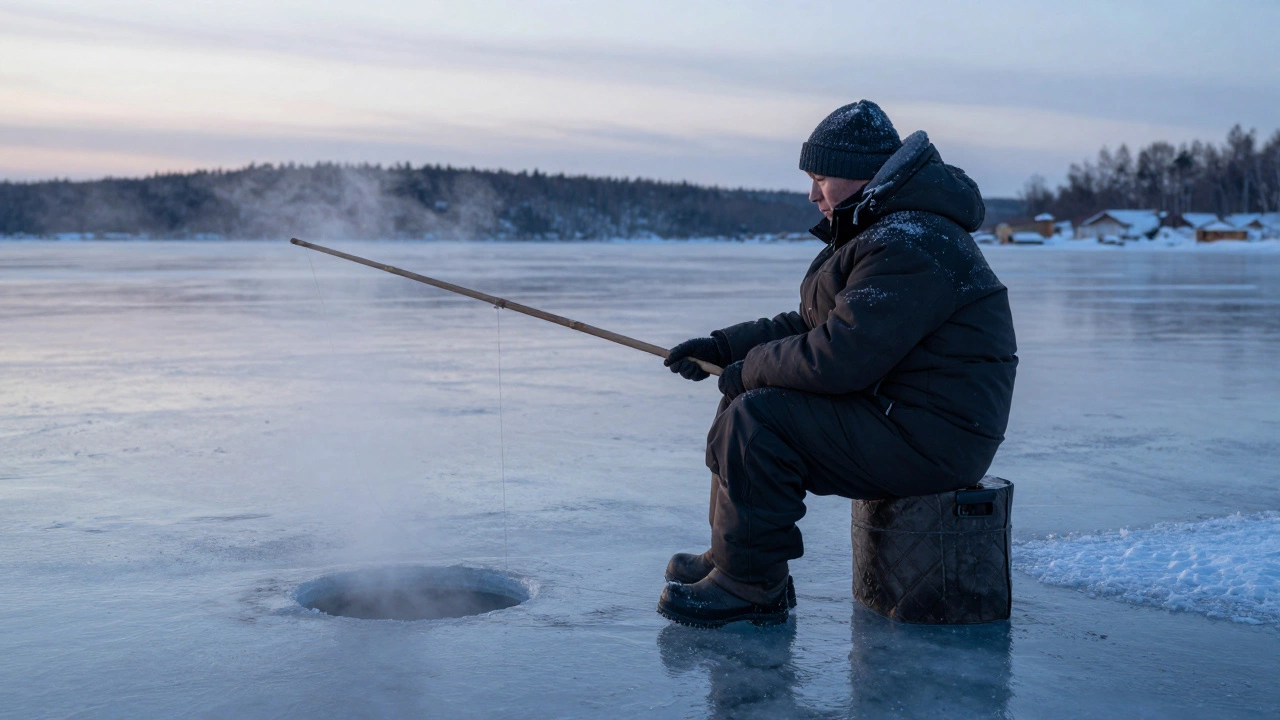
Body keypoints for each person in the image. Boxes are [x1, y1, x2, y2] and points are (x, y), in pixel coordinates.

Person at [657, 100, 1018, 628]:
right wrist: (724, 348)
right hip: (902, 416)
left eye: (820, 178)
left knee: (757, 420)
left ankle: (752, 585)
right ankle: (734, 555)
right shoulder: (887, 229)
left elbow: (840, 357)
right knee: (744, 400)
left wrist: (750, 368)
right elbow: (814, 325)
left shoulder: (910, 244)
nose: (812, 195)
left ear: (861, 174)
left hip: (935, 438)